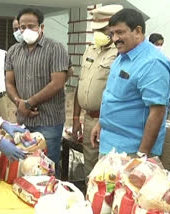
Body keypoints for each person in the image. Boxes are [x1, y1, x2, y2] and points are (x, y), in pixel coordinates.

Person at [90, 8, 170, 158]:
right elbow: (112, 96)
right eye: (112, 34)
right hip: (109, 144)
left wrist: (142, 155)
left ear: (138, 31)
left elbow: (157, 112)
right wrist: (101, 124)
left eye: (120, 32)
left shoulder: (152, 63)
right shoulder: (122, 56)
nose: (115, 39)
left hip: (131, 152)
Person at [5, 8, 69, 176]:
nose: (26, 30)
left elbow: (57, 83)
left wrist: (29, 103)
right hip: (23, 120)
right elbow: (9, 82)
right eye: (22, 27)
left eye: (31, 26)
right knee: (24, 166)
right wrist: (19, 102)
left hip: (49, 121)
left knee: (47, 167)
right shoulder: (13, 51)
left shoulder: (56, 48)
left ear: (41, 27)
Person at [72, 5, 122, 179]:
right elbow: (82, 83)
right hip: (89, 118)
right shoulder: (90, 49)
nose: (99, 34)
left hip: (109, 120)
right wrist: (75, 118)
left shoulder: (120, 53)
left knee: (108, 171)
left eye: (103, 29)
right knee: (90, 169)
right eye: (97, 29)